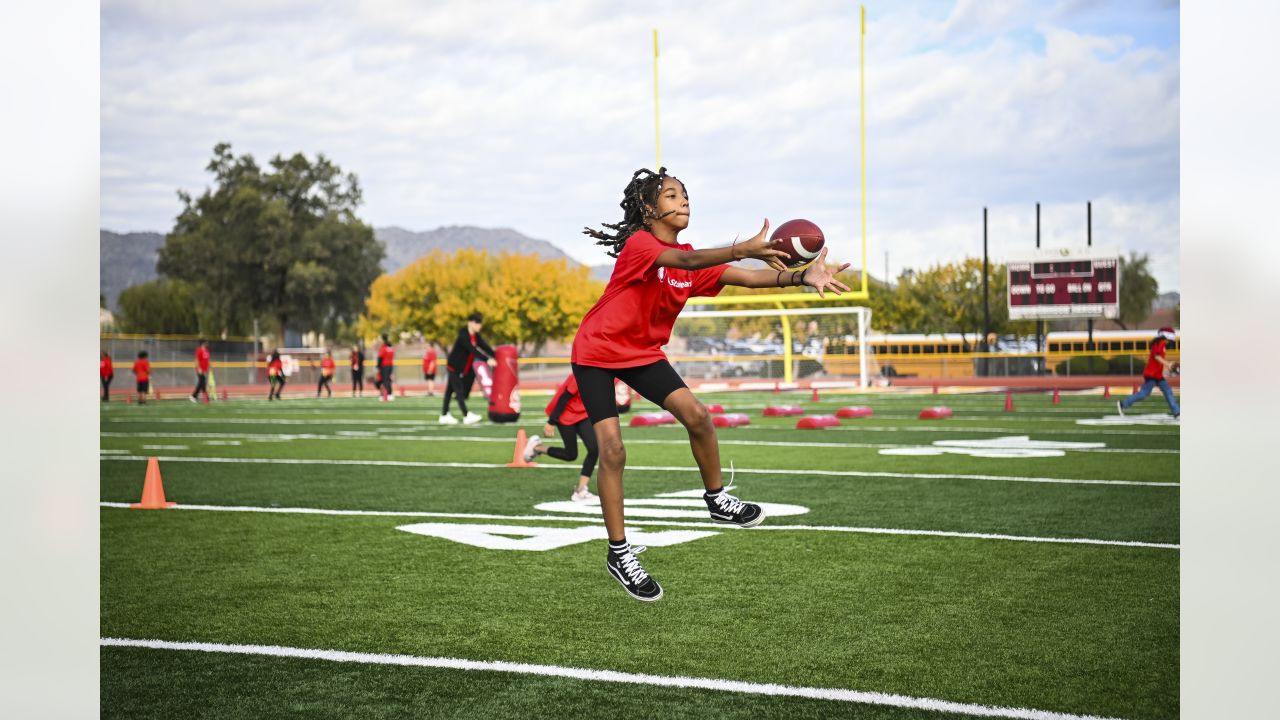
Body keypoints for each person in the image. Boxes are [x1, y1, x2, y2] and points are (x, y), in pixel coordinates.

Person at [574, 167, 850, 601]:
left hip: (643, 353)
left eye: (684, 195)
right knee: (612, 450)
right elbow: (686, 260)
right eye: (670, 196)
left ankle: (717, 500)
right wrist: (742, 248)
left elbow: (748, 277)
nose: (683, 201)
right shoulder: (640, 246)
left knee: (699, 417)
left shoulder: (688, 263)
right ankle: (620, 552)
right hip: (596, 350)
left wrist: (803, 276)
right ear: (648, 209)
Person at [523, 373, 603, 503]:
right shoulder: (582, 372)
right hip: (565, 414)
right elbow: (564, 398)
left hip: (582, 413)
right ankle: (537, 447)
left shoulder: (608, 372)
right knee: (571, 455)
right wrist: (551, 422)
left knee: (594, 449)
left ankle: (581, 490)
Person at [439, 312, 496, 425]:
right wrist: (487, 360)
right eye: (477, 323)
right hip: (454, 366)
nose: (479, 326)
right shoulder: (463, 335)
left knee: (449, 391)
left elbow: (483, 345)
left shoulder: (475, 335)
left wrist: (495, 355)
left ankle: (444, 415)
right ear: (470, 323)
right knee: (459, 390)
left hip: (460, 367)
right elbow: (473, 350)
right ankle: (466, 415)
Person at [1118, 327, 1180, 419]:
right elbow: (1156, 357)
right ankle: (1123, 404)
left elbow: (1158, 361)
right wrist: (1168, 364)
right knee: (1144, 393)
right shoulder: (1160, 343)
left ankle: (1177, 413)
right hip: (1152, 374)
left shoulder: (1161, 344)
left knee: (1168, 392)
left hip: (1157, 375)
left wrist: (1166, 370)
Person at [190, 339, 211, 403]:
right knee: (202, 382)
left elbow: (207, 360)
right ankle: (194, 396)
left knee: (202, 383)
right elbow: (197, 359)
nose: (207, 344)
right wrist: (199, 368)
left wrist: (209, 368)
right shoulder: (199, 350)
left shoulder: (207, 351)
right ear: (203, 343)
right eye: (206, 342)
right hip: (200, 369)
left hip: (205, 370)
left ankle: (200, 397)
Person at [377, 334, 396, 401]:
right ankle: (390, 394)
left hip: (384, 366)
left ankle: (385, 395)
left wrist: (378, 365)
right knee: (388, 380)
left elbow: (380, 357)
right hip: (390, 366)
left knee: (384, 381)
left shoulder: (383, 347)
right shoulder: (390, 347)